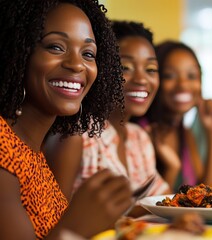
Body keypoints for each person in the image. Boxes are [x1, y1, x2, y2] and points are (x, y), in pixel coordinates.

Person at [0, 1, 133, 239]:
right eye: (56, 47)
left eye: (88, 54)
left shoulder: (33, 152)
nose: (76, 64)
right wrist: (76, 225)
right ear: (16, 52)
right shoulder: (2, 147)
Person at [44, 20, 170, 210]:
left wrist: (173, 167)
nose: (142, 79)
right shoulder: (75, 134)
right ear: (99, 69)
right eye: (125, 67)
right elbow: (53, 225)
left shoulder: (139, 138)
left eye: (151, 69)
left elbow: (160, 206)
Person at [133, 41, 212, 191]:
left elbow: (207, 195)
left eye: (191, 76)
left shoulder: (184, 133)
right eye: (170, 75)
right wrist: (172, 169)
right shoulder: (141, 133)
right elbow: (146, 207)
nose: (183, 85)